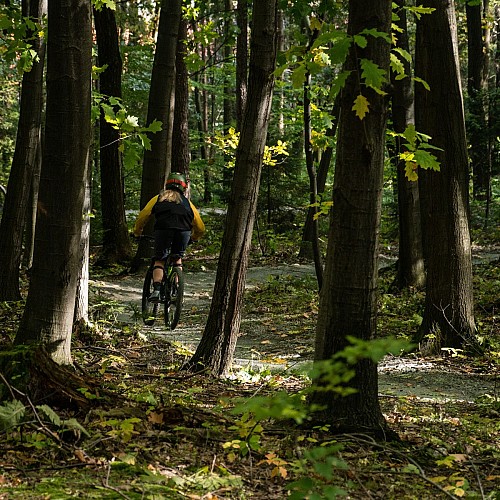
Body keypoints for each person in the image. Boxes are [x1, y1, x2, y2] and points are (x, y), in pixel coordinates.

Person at [134, 172, 205, 302]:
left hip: (163, 231)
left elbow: (143, 215)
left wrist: (137, 232)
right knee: (177, 259)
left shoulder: (158, 198)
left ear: (167, 184)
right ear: (184, 187)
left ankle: (156, 290)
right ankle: (177, 289)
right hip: (183, 232)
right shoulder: (188, 203)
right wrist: (194, 238)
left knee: (159, 259)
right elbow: (200, 226)